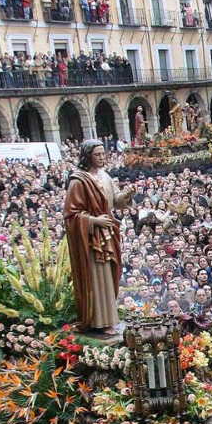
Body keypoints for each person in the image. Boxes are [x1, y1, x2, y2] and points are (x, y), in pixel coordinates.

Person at [63, 139, 133, 333]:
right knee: (98, 277)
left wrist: (125, 196)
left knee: (110, 275)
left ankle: (110, 318)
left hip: (107, 232)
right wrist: (94, 221)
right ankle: (99, 321)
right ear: (88, 156)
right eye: (97, 155)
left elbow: (115, 202)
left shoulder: (105, 176)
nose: (102, 158)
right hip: (91, 237)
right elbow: (71, 214)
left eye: (103, 154)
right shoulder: (79, 180)